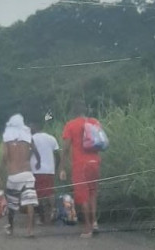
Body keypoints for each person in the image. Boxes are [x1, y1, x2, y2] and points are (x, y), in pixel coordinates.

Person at [59, 100, 101, 238]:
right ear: (85, 111)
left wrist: (62, 167)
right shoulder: (94, 122)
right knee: (93, 193)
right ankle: (94, 223)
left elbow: (65, 149)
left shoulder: (70, 125)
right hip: (94, 162)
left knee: (83, 197)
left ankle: (88, 228)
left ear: (73, 112)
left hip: (80, 165)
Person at [0, 114, 39, 237]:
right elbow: (35, 150)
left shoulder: (7, 138)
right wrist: (35, 161)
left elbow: (5, 157)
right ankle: (30, 230)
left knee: (12, 204)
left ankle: (11, 228)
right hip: (27, 174)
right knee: (29, 202)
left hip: (14, 175)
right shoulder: (27, 135)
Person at [30, 122, 60, 225]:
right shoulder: (51, 138)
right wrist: (54, 168)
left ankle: (41, 217)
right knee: (49, 191)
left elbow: (29, 154)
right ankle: (53, 209)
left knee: (37, 193)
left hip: (36, 170)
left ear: (34, 127)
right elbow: (57, 155)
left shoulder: (31, 138)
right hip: (49, 170)